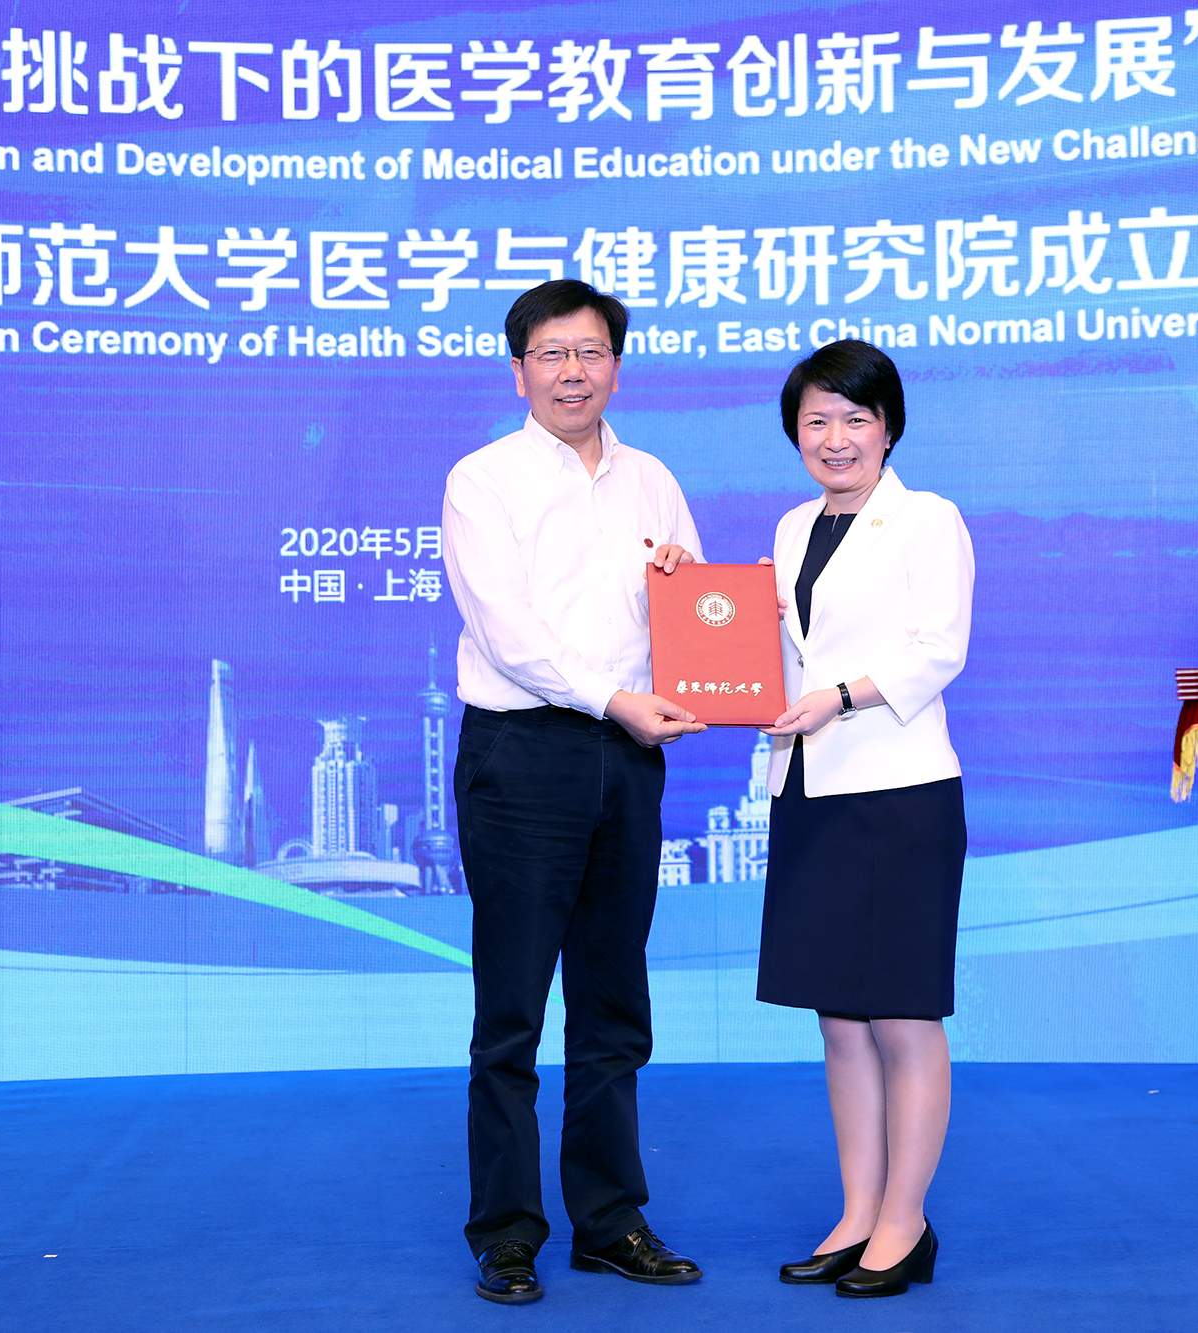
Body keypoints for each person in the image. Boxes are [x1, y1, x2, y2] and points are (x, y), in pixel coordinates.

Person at [441, 279, 707, 1305]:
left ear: (616, 367)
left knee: (612, 999)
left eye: (590, 352)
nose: (571, 372)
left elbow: (697, 613)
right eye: (550, 354)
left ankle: (608, 1220)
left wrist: (684, 591)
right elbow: (508, 634)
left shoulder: (652, 480)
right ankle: (506, 1232)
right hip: (523, 756)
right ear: (519, 371)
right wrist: (616, 700)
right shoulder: (484, 480)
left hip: (628, 758)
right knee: (511, 1009)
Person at [753, 340, 974, 1299]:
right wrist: (687, 591)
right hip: (808, 789)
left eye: (855, 418)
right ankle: (856, 1211)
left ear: (889, 428)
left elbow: (940, 649)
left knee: (903, 1016)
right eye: (816, 420)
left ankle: (904, 1220)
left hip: (899, 790)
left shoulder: (928, 519)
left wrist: (840, 696)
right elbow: (765, 642)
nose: (835, 438)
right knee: (839, 1019)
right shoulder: (792, 526)